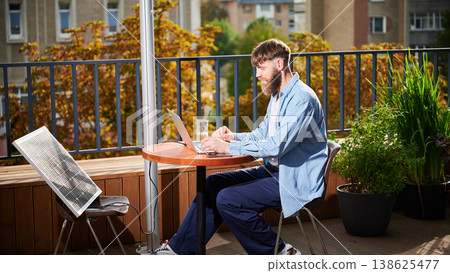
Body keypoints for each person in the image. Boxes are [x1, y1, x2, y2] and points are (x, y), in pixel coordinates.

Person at [154, 38, 328, 255]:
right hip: (274, 171)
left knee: (228, 200)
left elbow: (275, 147)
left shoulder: (301, 99)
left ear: (280, 65)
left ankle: (281, 253)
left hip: (293, 179)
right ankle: (179, 251)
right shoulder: (278, 95)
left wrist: (226, 149)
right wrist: (232, 137)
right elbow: (262, 135)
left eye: (261, 68)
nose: (257, 75)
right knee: (212, 184)